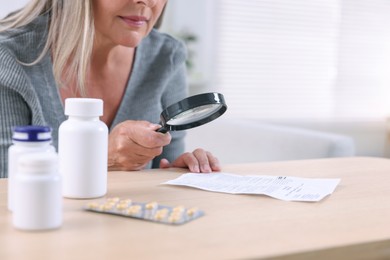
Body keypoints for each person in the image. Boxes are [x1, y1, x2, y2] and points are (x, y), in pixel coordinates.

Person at [0, 0, 221, 178]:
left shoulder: (166, 56)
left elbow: (166, 165)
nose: (147, 2)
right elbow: (7, 186)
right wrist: (103, 158)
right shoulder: (10, 58)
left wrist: (179, 170)